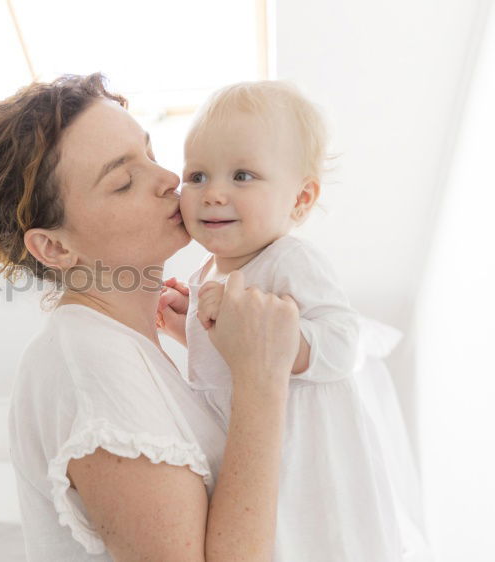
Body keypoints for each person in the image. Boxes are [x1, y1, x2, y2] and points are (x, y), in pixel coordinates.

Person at [0, 73, 301, 561]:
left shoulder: (124, 346)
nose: (170, 180)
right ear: (54, 246)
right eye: (124, 182)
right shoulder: (92, 367)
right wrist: (262, 383)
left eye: (151, 155)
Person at [171, 80, 431, 561]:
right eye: (198, 175)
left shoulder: (289, 260)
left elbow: (343, 341)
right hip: (245, 446)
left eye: (242, 176)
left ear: (300, 200)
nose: (213, 194)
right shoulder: (204, 271)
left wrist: (286, 343)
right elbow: (232, 357)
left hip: (304, 450)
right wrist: (187, 327)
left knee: (314, 541)